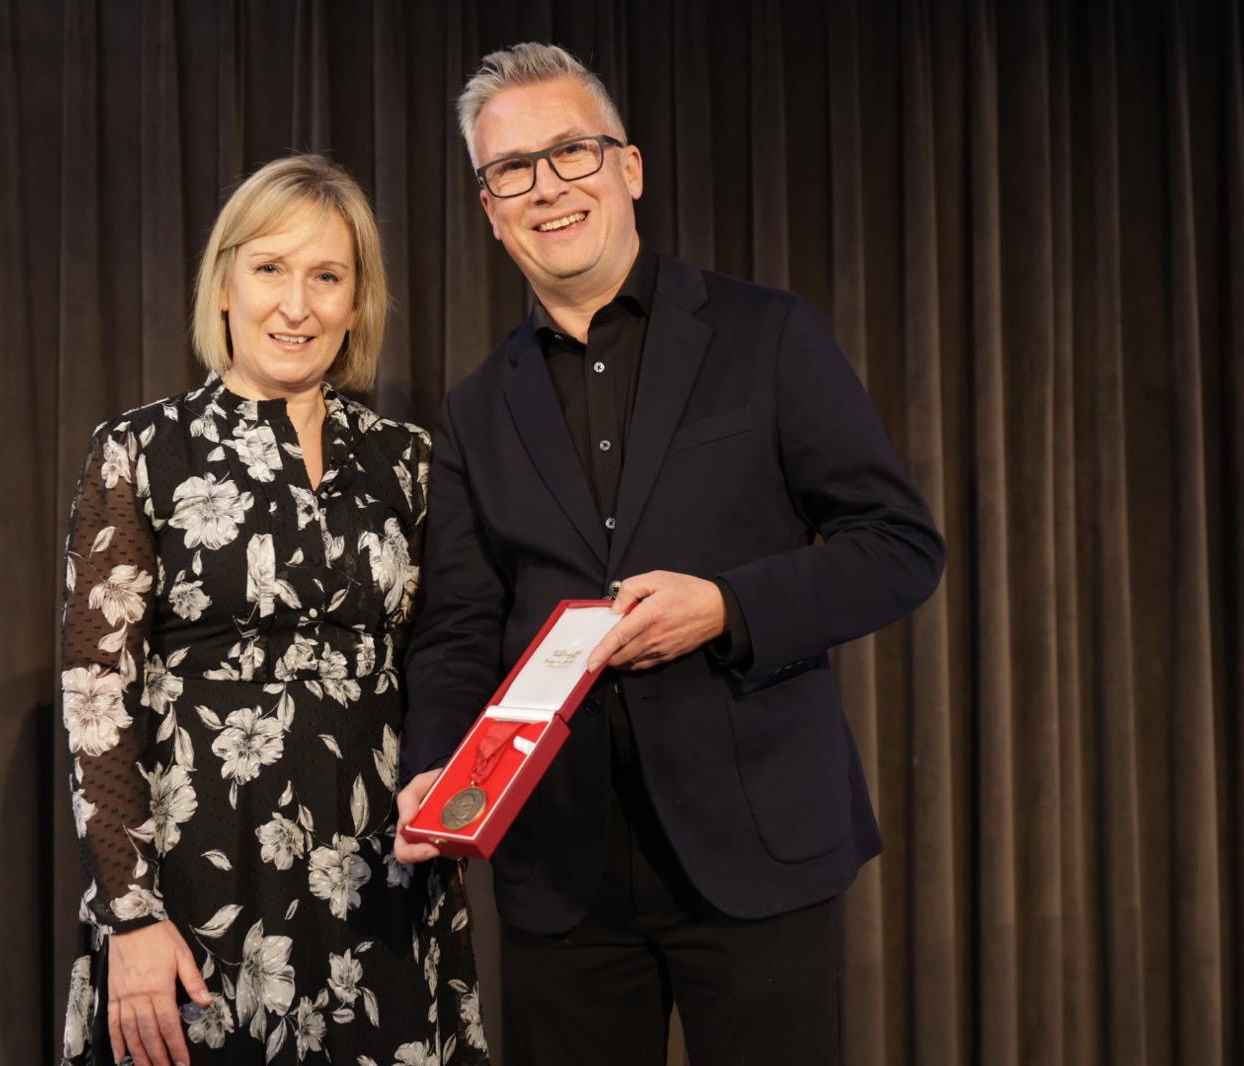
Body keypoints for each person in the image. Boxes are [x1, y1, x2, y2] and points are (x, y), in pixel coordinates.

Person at [394, 44, 945, 1066]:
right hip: (559, 872)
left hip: (759, 846)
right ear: (486, 205)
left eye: (571, 152)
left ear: (630, 167)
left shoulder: (766, 333)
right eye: (511, 168)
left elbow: (899, 547)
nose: (546, 186)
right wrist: (436, 764)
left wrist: (728, 606)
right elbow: (460, 625)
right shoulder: (475, 410)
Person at [58, 154, 488, 1066]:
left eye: (327, 276)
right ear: (223, 285)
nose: (298, 304)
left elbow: (451, 652)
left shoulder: (411, 461)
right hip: (197, 882)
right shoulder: (139, 452)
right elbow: (99, 701)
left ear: (356, 301)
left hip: (383, 884)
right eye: (270, 269)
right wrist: (131, 919)